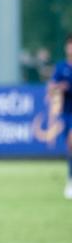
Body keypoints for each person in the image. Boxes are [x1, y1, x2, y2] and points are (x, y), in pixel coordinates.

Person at [47, 34, 72, 199]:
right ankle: (70, 179)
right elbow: (51, 88)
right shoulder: (61, 67)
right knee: (70, 147)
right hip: (67, 112)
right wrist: (58, 87)